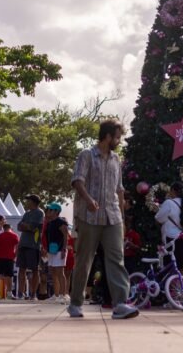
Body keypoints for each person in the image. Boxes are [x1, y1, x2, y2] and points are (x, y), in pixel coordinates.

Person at [67, 119, 139, 320]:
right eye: (117, 137)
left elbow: (120, 189)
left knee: (117, 259)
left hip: (112, 217)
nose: (119, 141)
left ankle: (120, 304)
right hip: (89, 217)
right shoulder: (87, 155)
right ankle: (75, 303)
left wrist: (122, 219)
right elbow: (77, 180)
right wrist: (88, 200)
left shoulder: (116, 159)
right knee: (84, 260)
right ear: (107, 136)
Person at [155, 182, 183, 278]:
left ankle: (171, 287)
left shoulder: (169, 203)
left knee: (171, 269)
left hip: (171, 240)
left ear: (173, 190)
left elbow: (158, 219)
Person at [17, 194, 44, 300]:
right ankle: (21, 293)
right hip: (23, 244)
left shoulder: (39, 213)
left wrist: (26, 226)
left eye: (28, 200)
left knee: (35, 270)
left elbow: (33, 227)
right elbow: (19, 226)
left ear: (33, 202)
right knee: (21, 269)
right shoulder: (27, 213)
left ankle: (33, 294)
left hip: (33, 245)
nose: (26, 202)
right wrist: (26, 226)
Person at [42, 202, 69, 303]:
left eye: (50, 210)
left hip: (59, 250)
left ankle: (63, 295)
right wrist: (46, 249)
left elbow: (66, 236)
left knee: (60, 272)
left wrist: (64, 249)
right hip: (51, 251)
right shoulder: (50, 223)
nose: (48, 211)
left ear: (56, 211)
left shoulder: (61, 222)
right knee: (53, 272)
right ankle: (56, 294)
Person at [0, 223, 19, 300]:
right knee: (9, 276)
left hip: (0, 257)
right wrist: (15, 256)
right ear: (10, 228)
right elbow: (18, 247)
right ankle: (9, 294)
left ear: (3, 228)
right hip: (10, 257)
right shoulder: (14, 236)